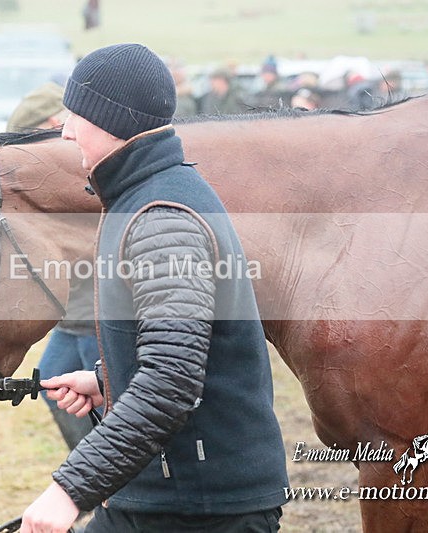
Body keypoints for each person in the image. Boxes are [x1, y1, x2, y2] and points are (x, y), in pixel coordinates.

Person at [22, 43, 288, 532]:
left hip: (206, 509)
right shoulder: (145, 195)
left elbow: (171, 379)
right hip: (165, 494)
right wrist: (108, 379)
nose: (65, 129)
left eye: (75, 114)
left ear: (108, 118)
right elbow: (180, 345)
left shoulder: (161, 215)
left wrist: (68, 492)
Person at [6, 81, 99, 452]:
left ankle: (124, 488)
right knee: (52, 384)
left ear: (52, 122)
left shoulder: (86, 160)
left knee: (113, 404)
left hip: (102, 314)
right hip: (73, 315)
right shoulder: (49, 171)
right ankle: (94, 478)